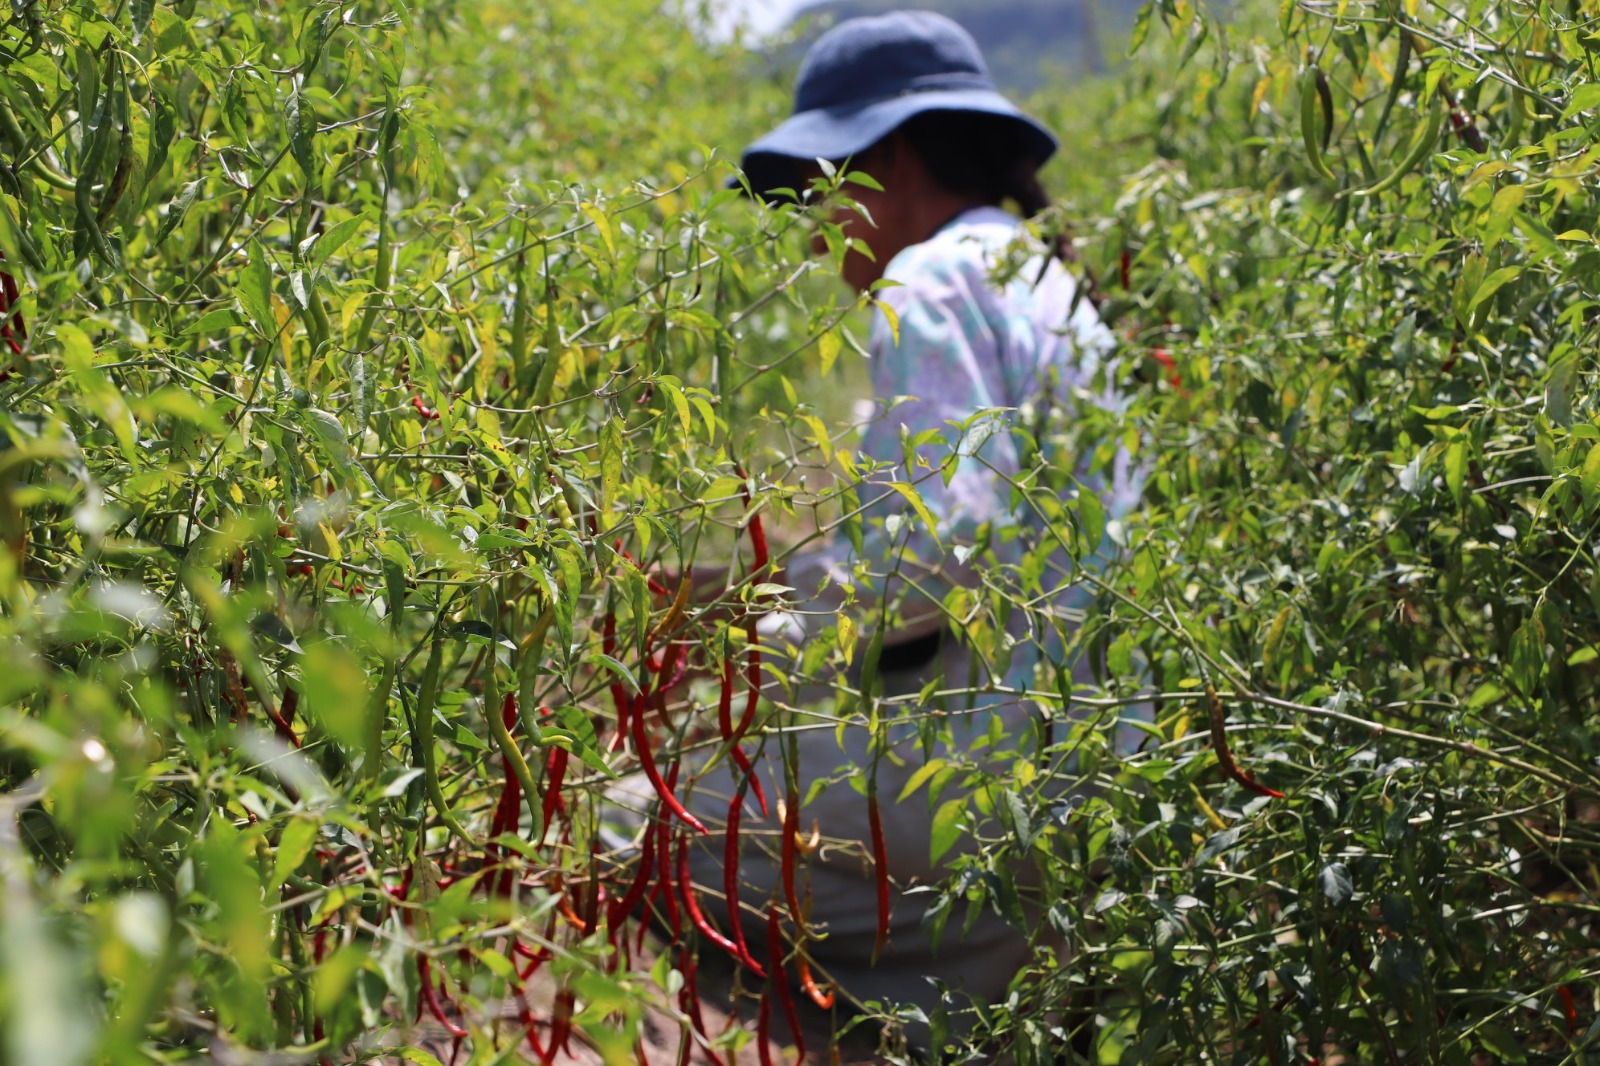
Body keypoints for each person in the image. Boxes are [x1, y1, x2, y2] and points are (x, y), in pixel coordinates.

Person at [617, 10, 1141, 1058]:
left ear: (895, 155)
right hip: (1104, 761)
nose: (815, 234)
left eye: (822, 188)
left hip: (984, 767)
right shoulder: (1043, 277)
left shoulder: (929, 279)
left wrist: (743, 622)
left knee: (632, 829)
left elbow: (931, 560)